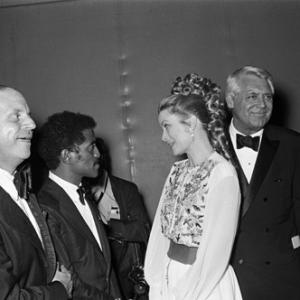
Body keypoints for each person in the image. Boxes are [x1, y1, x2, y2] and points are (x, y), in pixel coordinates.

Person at [144, 73, 242, 300]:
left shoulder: (222, 173)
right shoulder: (177, 171)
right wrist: (157, 284)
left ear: (192, 124)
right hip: (170, 282)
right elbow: (159, 237)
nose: (163, 137)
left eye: (167, 126)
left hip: (205, 288)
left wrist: (186, 293)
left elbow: (216, 254)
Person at [226, 66, 300, 300]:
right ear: (230, 100)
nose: (262, 104)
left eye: (267, 97)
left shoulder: (292, 144)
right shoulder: (210, 147)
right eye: (252, 96)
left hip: (281, 278)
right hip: (228, 278)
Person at [37, 111, 122, 300]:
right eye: (91, 147)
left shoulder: (84, 195)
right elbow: (68, 281)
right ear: (67, 156)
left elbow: (106, 268)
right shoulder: (46, 207)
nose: (98, 154)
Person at [0, 86, 72, 299]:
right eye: (16, 116)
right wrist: (58, 291)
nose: (31, 124)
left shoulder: (25, 191)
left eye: (29, 115)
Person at [87, 137, 151, 300]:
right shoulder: (80, 193)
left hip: (129, 278)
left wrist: (108, 228)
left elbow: (143, 231)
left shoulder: (126, 190)